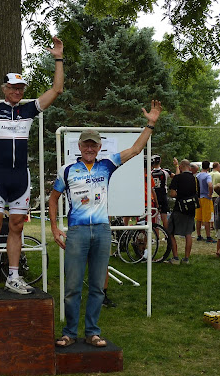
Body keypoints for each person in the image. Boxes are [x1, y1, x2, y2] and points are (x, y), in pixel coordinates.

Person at [0, 30, 64, 296]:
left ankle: (14, 277)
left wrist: (58, 59)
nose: (17, 91)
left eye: (21, 88)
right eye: (13, 88)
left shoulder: (29, 110)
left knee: (17, 225)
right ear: (4, 89)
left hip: (20, 177)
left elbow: (57, 89)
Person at [49, 101, 161, 348]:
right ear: (79, 147)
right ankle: (69, 333)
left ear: (99, 147)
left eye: (94, 145)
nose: (90, 148)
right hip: (77, 232)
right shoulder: (67, 170)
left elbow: (135, 149)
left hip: (101, 231)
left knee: (98, 286)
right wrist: (55, 228)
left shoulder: (106, 165)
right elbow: (53, 199)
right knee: (72, 286)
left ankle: (92, 332)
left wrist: (150, 124)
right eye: (86, 144)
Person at [167, 159, 199, 264]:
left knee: (170, 232)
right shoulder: (195, 179)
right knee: (188, 234)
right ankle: (186, 259)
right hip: (191, 209)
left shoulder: (178, 178)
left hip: (179, 208)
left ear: (181, 166)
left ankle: (175, 257)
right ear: (189, 167)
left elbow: (172, 194)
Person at [195, 161, 214, 243]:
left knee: (198, 218)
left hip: (198, 198)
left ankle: (199, 235)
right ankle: (208, 236)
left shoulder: (197, 175)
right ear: (208, 167)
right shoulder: (207, 176)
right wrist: (210, 193)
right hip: (206, 198)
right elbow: (210, 185)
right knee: (206, 218)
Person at [151, 155, 172, 229]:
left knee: (156, 219)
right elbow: (176, 176)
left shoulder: (150, 172)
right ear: (160, 161)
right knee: (164, 218)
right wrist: (176, 166)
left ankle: (157, 235)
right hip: (163, 196)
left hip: (153, 196)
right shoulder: (165, 171)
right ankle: (167, 234)